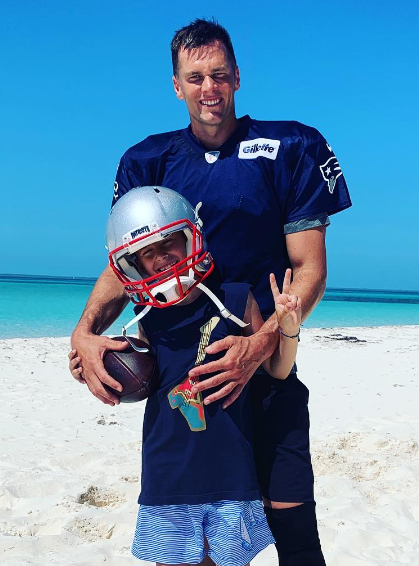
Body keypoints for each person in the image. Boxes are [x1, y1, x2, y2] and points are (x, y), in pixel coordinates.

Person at [70, 18, 352, 566]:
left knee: (296, 535)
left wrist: (262, 344)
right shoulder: (147, 163)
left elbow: (308, 269)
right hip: (190, 375)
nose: (209, 89)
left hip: (264, 367)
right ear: (177, 86)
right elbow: (126, 265)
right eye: (195, 77)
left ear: (238, 77)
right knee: (200, 552)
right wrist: (85, 333)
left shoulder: (290, 146)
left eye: (219, 74)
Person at [72, 185, 302, 566]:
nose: (161, 258)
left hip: (230, 467)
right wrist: (93, 368)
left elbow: (276, 369)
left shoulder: (236, 297)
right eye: (148, 253)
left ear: (191, 237)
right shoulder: (145, 317)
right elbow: (146, 383)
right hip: (169, 470)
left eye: (169, 244)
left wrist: (286, 327)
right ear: (134, 263)